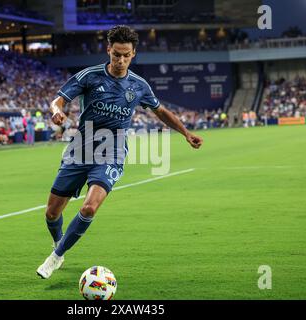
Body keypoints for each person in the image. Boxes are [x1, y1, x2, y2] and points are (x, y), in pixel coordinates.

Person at [36, 25, 204, 279]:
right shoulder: (90, 76)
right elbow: (58, 100)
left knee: (89, 207)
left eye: (126, 55)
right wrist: (56, 111)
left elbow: (161, 112)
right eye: (116, 54)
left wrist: (186, 133)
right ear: (108, 50)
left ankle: (55, 256)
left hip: (112, 150)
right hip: (81, 147)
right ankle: (59, 244)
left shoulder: (138, 86)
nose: (121, 60)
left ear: (133, 53)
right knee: (51, 212)